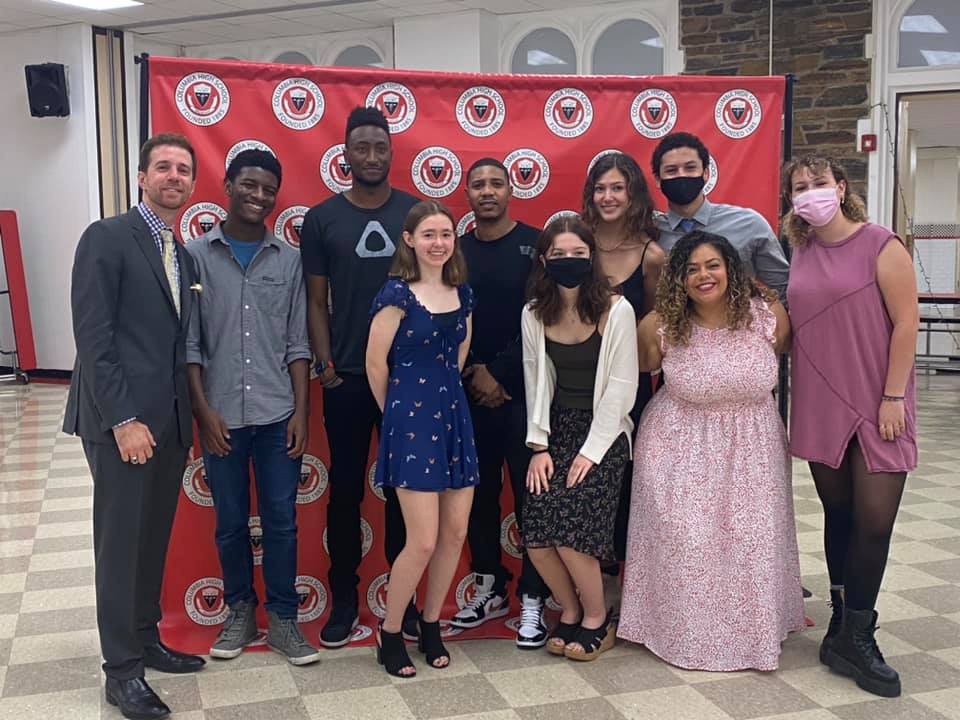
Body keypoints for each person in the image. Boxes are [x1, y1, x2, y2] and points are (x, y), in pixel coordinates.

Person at [64, 133, 205, 720]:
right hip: (121, 423)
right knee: (120, 546)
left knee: (152, 541)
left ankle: (146, 639)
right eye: (163, 168)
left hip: (169, 424)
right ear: (141, 177)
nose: (174, 176)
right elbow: (94, 337)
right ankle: (121, 672)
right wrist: (123, 419)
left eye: (184, 170)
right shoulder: (107, 237)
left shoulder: (185, 253)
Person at [618, 231, 805, 671]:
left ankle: (752, 634)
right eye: (692, 269)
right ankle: (682, 633)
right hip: (678, 447)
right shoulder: (659, 325)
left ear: (731, 270)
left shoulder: (767, 317)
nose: (704, 276)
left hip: (753, 447)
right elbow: (639, 373)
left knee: (750, 543)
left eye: (712, 265)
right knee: (689, 545)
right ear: (678, 279)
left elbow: (787, 357)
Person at [784, 155, 919, 698]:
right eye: (799, 187)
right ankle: (840, 626)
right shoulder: (796, 251)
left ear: (841, 188)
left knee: (874, 521)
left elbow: (907, 321)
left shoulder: (881, 245)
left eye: (819, 183)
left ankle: (861, 632)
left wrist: (892, 396)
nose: (810, 193)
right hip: (820, 401)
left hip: (878, 400)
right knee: (838, 513)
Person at [185, 149, 320, 666]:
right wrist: (203, 411)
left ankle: (284, 618)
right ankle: (239, 610)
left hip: (275, 415)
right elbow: (190, 344)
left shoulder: (287, 259)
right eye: (249, 185)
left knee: (283, 520)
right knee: (231, 520)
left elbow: (297, 344)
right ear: (227, 185)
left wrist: (302, 414)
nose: (258, 195)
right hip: (219, 416)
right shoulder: (195, 257)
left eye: (268, 189)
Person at [300, 106, 420, 647]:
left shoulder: (416, 214)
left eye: (380, 147)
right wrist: (324, 362)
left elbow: (432, 293)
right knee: (345, 491)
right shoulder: (322, 219)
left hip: (408, 380)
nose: (371, 157)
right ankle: (343, 599)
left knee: (405, 493)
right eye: (361, 148)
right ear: (344, 154)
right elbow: (316, 301)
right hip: (346, 378)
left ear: (391, 152)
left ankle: (406, 599)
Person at [367, 201, 478, 677]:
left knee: (455, 533)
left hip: (454, 418)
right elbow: (376, 364)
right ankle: (391, 630)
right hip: (411, 424)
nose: (439, 242)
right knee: (424, 540)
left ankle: (431, 623)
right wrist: (396, 419)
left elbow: (459, 354)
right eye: (429, 234)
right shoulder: (396, 294)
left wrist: (443, 403)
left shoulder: (461, 293)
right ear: (410, 239)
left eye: (446, 234)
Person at [521, 216, 638, 662]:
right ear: (544, 260)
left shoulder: (616, 309)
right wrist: (539, 447)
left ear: (592, 257)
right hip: (555, 431)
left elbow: (622, 389)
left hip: (605, 436)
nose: (568, 262)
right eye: (559, 255)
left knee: (572, 535)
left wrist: (591, 452)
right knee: (536, 536)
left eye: (578, 254)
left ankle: (596, 618)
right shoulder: (534, 311)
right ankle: (568, 611)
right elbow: (535, 379)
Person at [450, 158, 550, 648]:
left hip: (524, 393)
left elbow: (543, 318)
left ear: (512, 190)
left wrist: (503, 374)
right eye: (478, 184)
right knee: (478, 495)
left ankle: (534, 596)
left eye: (496, 183)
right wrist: (474, 374)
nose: (487, 191)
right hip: (468, 393)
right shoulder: (455, 250)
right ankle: (488, 586)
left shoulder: (535, 247)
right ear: (466, 193)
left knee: (533, 496)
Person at [580, 151, 665, 598]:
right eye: (600, 188)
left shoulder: (653, 256)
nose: (608, 196)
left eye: (617, 187)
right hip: (574, 386)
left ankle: (628, 586)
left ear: (633, 194)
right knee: (578, 478)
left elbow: (653, 327)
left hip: (629, 390)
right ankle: (584, 576)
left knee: (624, 481)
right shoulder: (576, 243)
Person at [650, 132, 789, 300]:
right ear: (658, 180)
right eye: (671, 170)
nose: (682, 175)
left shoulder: (750, 224)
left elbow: (782, 289)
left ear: (706, 173)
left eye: (690, 168)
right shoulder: (650, 232)